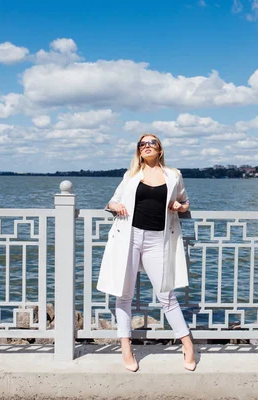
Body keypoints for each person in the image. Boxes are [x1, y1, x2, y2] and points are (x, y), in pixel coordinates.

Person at [96, 133, 196, 372]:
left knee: (167, 296)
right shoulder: (131, 176)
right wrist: (115, 206)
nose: (146, 146)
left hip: (157, 240)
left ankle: (188, 344)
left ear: (159, 149)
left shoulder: (174, 175)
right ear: (138, 151)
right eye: (142, 144)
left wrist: (179, 207)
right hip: (129, 238)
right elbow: (112, 201)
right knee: (123, 295)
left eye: (151, 142)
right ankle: (126, 348)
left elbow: (185, 203)